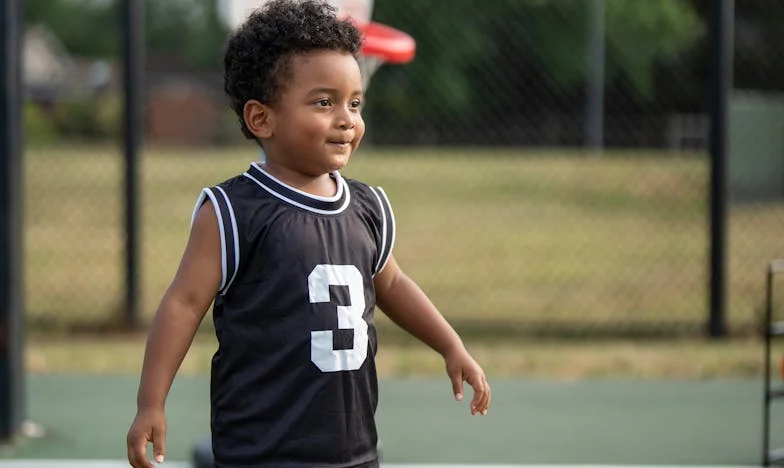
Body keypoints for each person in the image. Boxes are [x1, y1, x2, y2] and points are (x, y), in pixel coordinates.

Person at [125, 1, 491, 466]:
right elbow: (183, 303)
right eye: (324, 102)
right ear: (262, 119)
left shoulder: (368, 207)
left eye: (354, 103)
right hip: (261, 452)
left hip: (353, 451)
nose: (346, 118)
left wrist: (450, 345)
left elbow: (393, 283)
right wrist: (150, 403)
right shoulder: (233, 211)